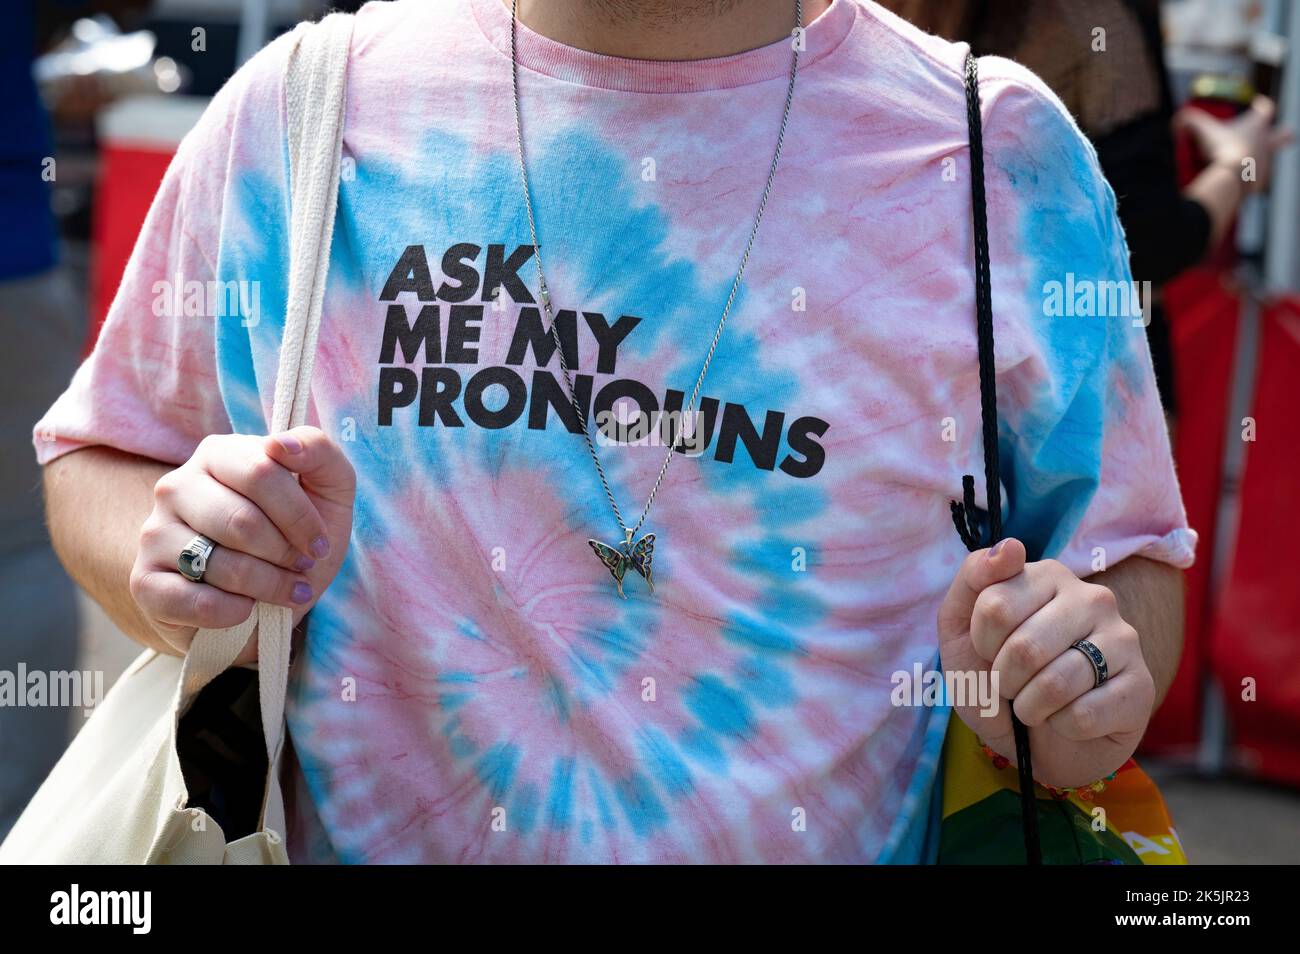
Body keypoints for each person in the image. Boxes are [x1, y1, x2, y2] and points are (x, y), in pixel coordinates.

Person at [31, 0, 1195, 863]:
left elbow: (1126, 557)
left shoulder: (992, 151)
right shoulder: (303, 110)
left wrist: (1072, 685)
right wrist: (196, 554)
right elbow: (106, 451)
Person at [881, 0, 1293, 419]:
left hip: (918, 387)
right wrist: (1238, 168)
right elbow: (1146, 246)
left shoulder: (858, 19)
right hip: (1076, 411)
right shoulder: (1092, 19)